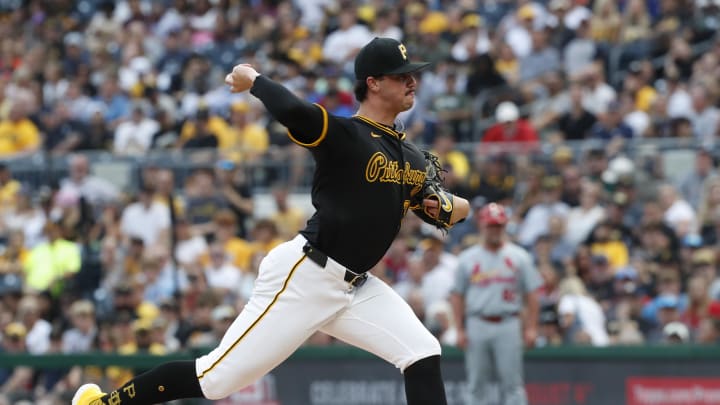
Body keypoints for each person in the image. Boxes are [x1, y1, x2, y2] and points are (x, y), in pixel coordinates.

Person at [72, 37, 470, 405]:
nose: (412, 81)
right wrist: (255, 81)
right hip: (306, 274)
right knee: (215, 379)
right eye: (402, 75)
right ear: (373, 83)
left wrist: (448, 206)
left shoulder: (412, 156)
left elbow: (451, 206)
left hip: (358, 286)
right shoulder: (346, 134)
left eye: (413, 74)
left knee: (422, 351)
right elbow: (296, 112)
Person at [451, 202, 541, 405]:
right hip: (477, 322)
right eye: (490, 225)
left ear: (505, 226)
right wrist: (459, 328)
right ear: (481, 225)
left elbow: (533, 294)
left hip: (508, 322)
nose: (494, 230)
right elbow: (457, 295)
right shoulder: (467, 258)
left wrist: (532, 328)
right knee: (476, 385)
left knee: (513, 385)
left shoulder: (519, 257)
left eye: (498, 225)